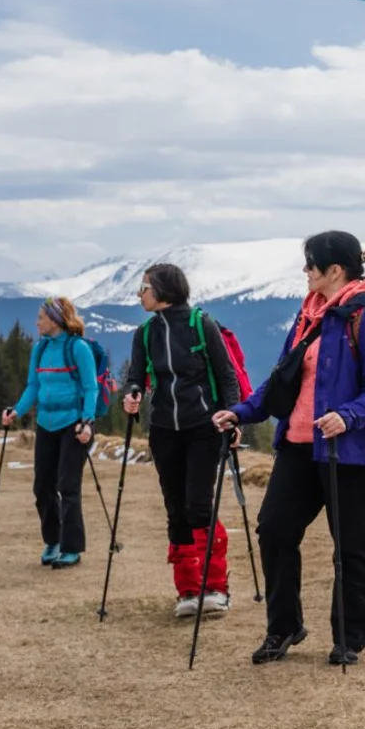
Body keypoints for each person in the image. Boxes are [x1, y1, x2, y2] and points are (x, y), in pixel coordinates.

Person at [214, 231, 365, 668]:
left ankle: (348, 639)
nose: (305, 271)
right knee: (274, 530)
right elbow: (282, 379)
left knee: (351, 546)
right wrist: (240, 412)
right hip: (299, 445)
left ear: (335, 270)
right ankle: (284, 627)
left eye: (311, 264)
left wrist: (348, 416)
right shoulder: (309, 315)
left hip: (352, 452)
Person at [122, 263, 242, 620]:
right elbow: (135, 376)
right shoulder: (145, 333)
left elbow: (226, 375)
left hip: (204, 428)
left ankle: (215, 587)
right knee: (176, 508)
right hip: (164, 430)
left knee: (198, 506)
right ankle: (189, 589)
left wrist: (234, 416)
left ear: (162, 290)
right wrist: (132, 393)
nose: (140, 294)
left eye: (143, 288)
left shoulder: (200, 325)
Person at [1, 297, 101, 568]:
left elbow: (92, 388)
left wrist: (88, 422)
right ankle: (52, 541)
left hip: (74, 425)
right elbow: (33, 385)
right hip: (45, 423)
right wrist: (16, 411)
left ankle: (72, 548)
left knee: (67, 486)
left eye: (41, 318)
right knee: (42, 486)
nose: (37, 322)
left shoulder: (78, 347)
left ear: (55, 320)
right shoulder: (40, 350)